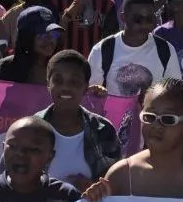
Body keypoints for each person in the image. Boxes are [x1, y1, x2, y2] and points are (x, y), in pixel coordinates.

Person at [35, 50, 120, 191]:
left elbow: (117, 185)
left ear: (86, 88)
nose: (66, 87)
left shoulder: (103, 130)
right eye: (58, 80)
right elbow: (12, 181)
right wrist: (51, 196)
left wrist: (95, 188)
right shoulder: (30, 129)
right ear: (48, 85)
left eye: (74, 82)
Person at [87, 0, 180, 97]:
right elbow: (91, 94)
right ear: (123, 17)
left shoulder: (165, 50)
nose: (144, 24)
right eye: (137, 19)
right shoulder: (102, 50)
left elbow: (175, 93)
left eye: (149, 19)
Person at [0, 6, 62, 83]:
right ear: (26, 38)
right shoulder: (6, 68)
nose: (50, 40)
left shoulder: (62, 70)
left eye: (53, 34)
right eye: (42, 35)